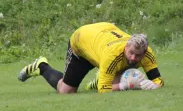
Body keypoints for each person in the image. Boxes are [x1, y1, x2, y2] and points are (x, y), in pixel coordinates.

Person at [18, 22, 164, 93]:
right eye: (131, 52)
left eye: (138, 55)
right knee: (66, 91)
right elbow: (104, 90)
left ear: (144, 53)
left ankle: (103, 75)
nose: (133, 57)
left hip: (102, 36)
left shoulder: (147, 53)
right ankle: (41, 66)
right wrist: (123, 86)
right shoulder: (112, 55)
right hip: (82, 41)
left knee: (119, 70)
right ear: (126, 46)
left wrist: (155, 85)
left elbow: (157, 80)